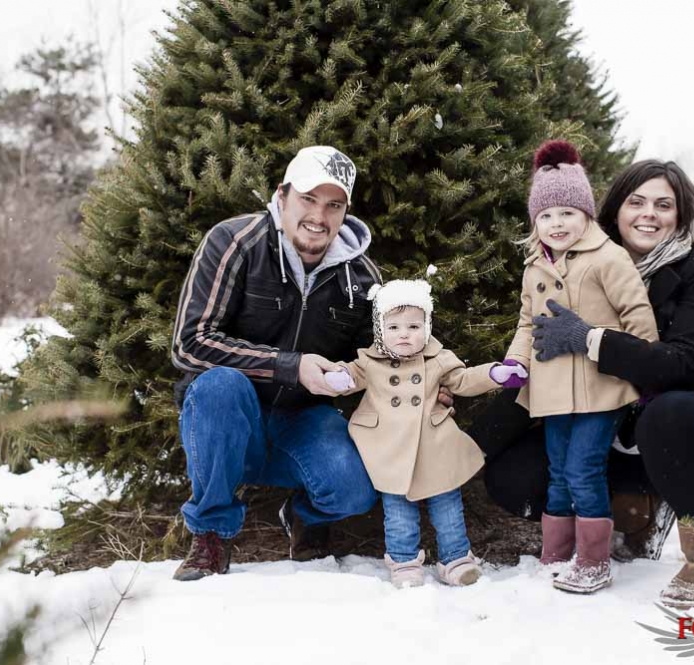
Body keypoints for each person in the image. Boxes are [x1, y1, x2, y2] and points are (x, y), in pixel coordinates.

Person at [479, 159, 694, 608]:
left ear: (681, 215)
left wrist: (591, 338)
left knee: (669, 412)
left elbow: (683, 366)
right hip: (617, 423)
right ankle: (632, 513)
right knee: (518, 474)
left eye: (663, 205)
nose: (648, 213)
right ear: (615, 209)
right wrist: (470, 438)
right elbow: (540, 348)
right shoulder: (574, 263)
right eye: (636, 202)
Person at [169, 145, 385, 581]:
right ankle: (211, 534)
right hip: (229, 415)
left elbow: (380, 359)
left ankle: (306, 514)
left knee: (353, 491)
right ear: (281, 197)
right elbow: (189, 343)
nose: (319, 217)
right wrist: (290, 365)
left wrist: (428, 384)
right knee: (217, 386)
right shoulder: (235, 242)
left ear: (345, 212)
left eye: (333, 205)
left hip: (302, 418)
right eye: (308, 199)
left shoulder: (361, 277)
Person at [501, 140, 658, 594]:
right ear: (536, 222)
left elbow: (638, 318)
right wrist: (515, 363)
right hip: (552, 391)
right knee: (557, 470)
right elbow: (527, 323)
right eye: (546, 216)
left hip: (599, 388)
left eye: (567, 213)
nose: (556, 224)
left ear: (586, 214)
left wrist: (643, 366)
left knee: (583, 469)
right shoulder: (534, 266)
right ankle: (557, 553)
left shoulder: (609, 258)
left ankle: (593, 560)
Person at [324, 279, 528, 588]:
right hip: (390, 448)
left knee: (447, 506)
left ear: (427, 326)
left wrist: (494, 373)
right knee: (398, 510)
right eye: (393, 327)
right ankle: (404, 561)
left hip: (433, 446)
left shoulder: (438, 359)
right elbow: (351, 374)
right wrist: (340, 378)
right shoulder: (370, 361)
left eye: (413, 326)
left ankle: (456, 558)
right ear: (380, 330)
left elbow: (463, 379)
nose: (404, 334)